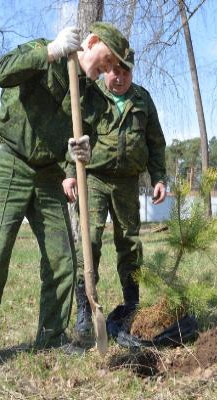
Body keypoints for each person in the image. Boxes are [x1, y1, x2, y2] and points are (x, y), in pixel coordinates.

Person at [0, 22, 131, 381]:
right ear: (92, 41)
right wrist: (50, 51)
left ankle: (51, 338)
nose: (108, 72)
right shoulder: (45, 52)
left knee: (62, 261)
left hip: (49, 175)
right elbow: (2, 73)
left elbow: (92, 138)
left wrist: (80, 151)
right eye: (106, 62)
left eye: (113, 68)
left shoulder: (93, 98)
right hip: (8, 161)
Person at [62, 50, 167, 342]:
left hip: (128, 183)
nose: (119, 77)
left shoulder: (142, 100)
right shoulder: (90, 95)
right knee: (90, 240)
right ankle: (85, 309)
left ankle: (132, 306)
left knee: (129, 243)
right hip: (92, 178)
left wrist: (158, 177)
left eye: (125, 72)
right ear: (105, 69)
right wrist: (70, 171)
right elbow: (72, 132)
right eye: (113, 71)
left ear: (131, 72)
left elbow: (155, 142)